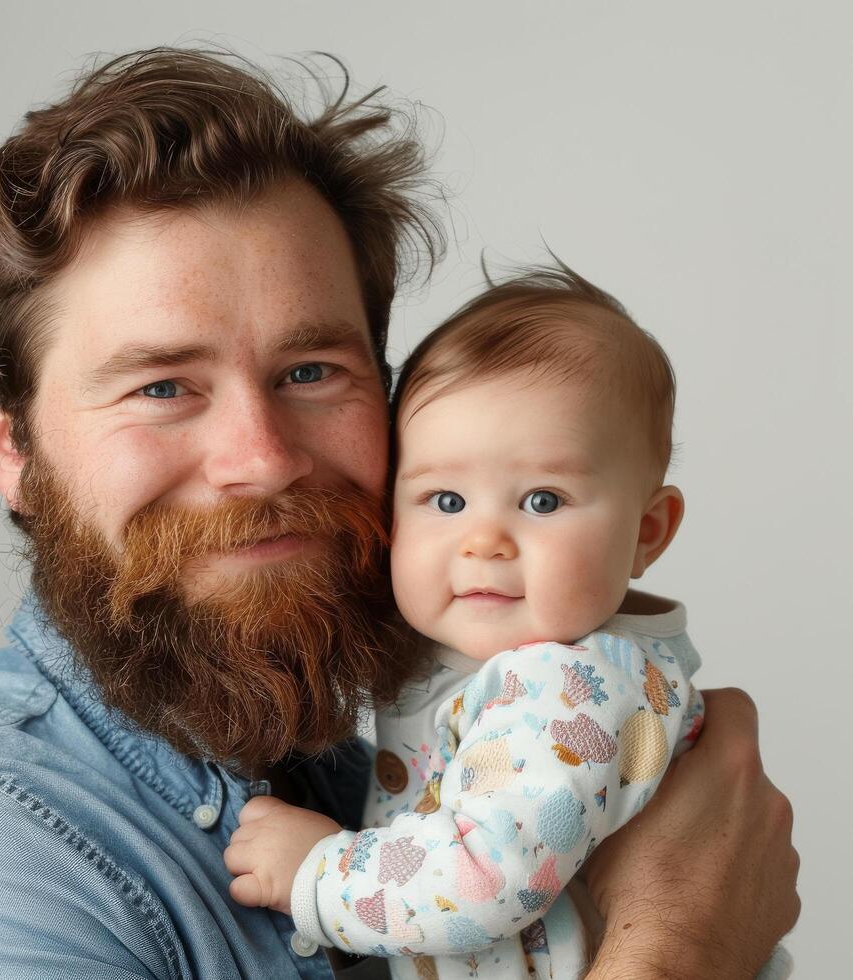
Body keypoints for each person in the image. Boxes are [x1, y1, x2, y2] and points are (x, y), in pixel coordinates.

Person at [0, 48, 798, 978]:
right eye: (161, 387)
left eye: (310, 372)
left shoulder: (374, 774)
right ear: (10, 445)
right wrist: (682, 938)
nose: (265, 459)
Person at [224, 269, 794, 979]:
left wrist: (317, 873)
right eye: (446, 499)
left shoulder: (573, 687)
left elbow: (486, 880)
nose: (484, 540)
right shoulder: (481, 651)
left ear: (648, 531)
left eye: (544, 501)